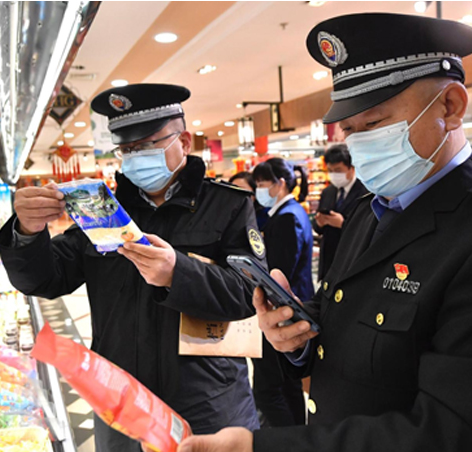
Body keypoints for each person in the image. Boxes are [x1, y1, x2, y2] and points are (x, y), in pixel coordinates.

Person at [178, 12, 472, 452]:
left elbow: (446, 431)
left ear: (450, 106)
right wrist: (295, 334)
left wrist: (260, 448)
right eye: (349, 130)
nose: (359, 144)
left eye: (373, 124)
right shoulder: (370, 207)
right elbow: (349, 311)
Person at [0, 83, 266, 452]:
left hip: (208, 400)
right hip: (120, 403)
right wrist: (27, 232)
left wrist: (178, 273)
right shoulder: (102, 212)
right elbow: (45, 279)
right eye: (127, 149)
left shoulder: (228, 206)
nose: (136, 157)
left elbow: (249, 293)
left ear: (184, 141)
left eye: (148, 145)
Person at [248, 158, 315, 427]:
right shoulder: (292, 212)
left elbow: (280, 270)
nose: (259, 190)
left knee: (269, 389)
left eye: (262, 183)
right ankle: (297, 435)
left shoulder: (287, 217)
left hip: (284, 309)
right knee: (288, 385)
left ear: (281, 183)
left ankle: (286, 439)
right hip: (293, 306)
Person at [313, 144, 368, 281]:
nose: (334, 175)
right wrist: (319, 223)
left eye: (338, 170)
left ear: (351, 168)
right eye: (330, 170)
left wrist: (343, 224)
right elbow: (317, 228)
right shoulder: (328, 192)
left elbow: (367, 228)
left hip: (352, 258)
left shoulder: (366, 192)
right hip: (329, 259)